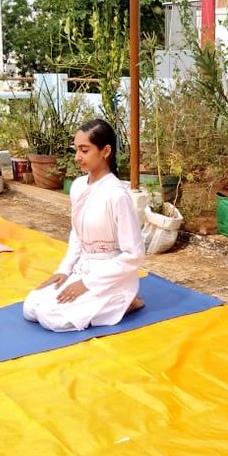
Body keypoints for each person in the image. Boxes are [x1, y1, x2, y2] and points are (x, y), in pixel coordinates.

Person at [23, 119, 145, 332]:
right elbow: (77, 236)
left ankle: (123, 302)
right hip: (83, 269)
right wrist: (64, 270)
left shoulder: (117, 195)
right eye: (76, 150)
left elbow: (134, 254)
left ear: (105, 151)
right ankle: (106, 303)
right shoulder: (78, 186)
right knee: (31, 307)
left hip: (112, 277)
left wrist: (88, 283)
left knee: (51, 318)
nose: (78, 157)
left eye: (84, 150)